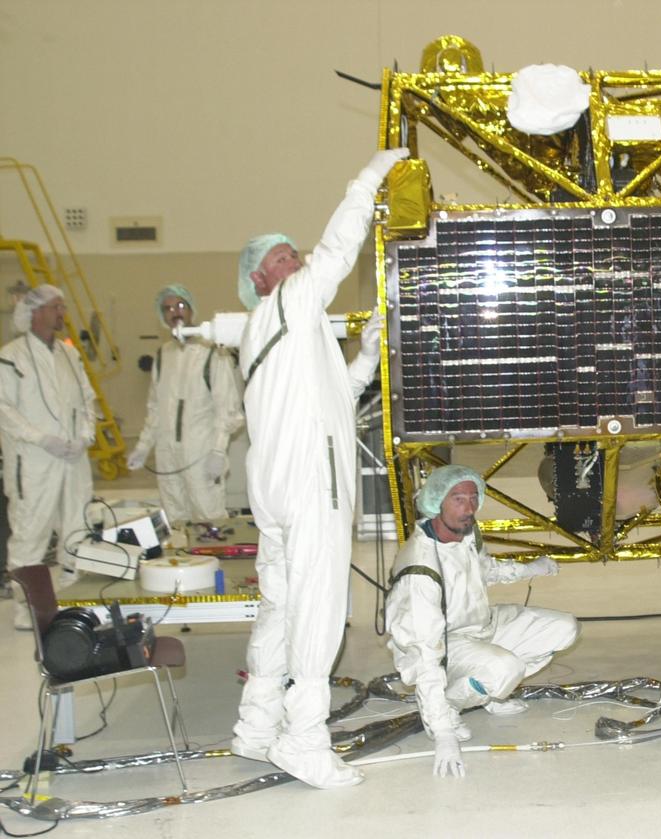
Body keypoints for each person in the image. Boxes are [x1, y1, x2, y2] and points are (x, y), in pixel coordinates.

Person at [228, 147, 406, 789]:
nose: (297, 260)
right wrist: (366, 183)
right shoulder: (288, 302)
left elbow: (333, 400)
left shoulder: (276, 330)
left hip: (276, 483)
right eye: (283, 257)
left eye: (293, 253)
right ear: (260, 278)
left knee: (280, 603)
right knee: (319, 603)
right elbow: (337, 250)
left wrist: (365, 359)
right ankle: (304, 738)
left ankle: (256, 724)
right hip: (308, 481)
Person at [384, 464, 578, 779]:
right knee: (506, 668)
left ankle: (489, 691)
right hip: (445, 644)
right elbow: (424, 655)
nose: (469, 507)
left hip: (482, 625)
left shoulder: (467, 532)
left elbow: (484, 569)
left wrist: (530, 569)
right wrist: (442, 733)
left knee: (564, 629)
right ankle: (451, 705)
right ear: (436, 502)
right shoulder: (419, 569)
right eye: (458, 499)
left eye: (474, 497)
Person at [0, 285, 97, 629]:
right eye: (56, 307)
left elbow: (87, 398)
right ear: (35, 312)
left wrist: (85, 435)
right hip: (34, 460)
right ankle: (26, 607)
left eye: (62, 306)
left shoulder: (69, 354)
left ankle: (73, 594)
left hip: (72, 458)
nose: (62, 313)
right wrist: (41, 438)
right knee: (31, 531)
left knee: (76, 526)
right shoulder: (11, 356)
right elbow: (4, 408)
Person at [127, 285, 244, 524]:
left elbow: (227, 409)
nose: (175, 312)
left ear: (192, 310)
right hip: (167, 455)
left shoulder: (211, 353)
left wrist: (218, 450)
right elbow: (155, 409)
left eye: (180, 306)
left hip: (201, 454)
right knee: (175, 518)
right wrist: (143, 446)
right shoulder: (163, 356)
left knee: (209, 518)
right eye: (168, 308)